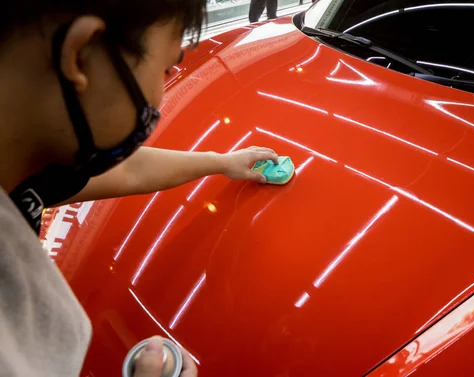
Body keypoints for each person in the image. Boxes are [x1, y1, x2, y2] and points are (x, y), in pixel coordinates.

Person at [0, 0, 280, 376]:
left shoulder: (23, 171)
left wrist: (221, 162)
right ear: (80, 55)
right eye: (166, 68)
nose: (160, 96)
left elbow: (128, 170)